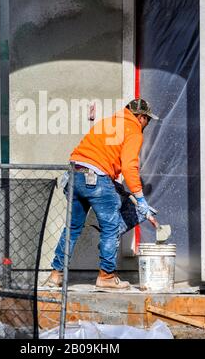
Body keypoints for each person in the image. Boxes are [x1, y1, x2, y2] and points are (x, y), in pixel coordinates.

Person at [45, 98, 159, 290]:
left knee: (72, 228)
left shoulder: (107, 122)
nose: (147, 124)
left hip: (74, 175)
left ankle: (56, 275)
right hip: (97, 179)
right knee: (111, 228)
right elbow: (129, 166)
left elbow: (96, 155)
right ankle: (106, 277)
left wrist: (112, 181)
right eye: (147, 119)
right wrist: (140, 199)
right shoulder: (133, 130)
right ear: (140, 117)